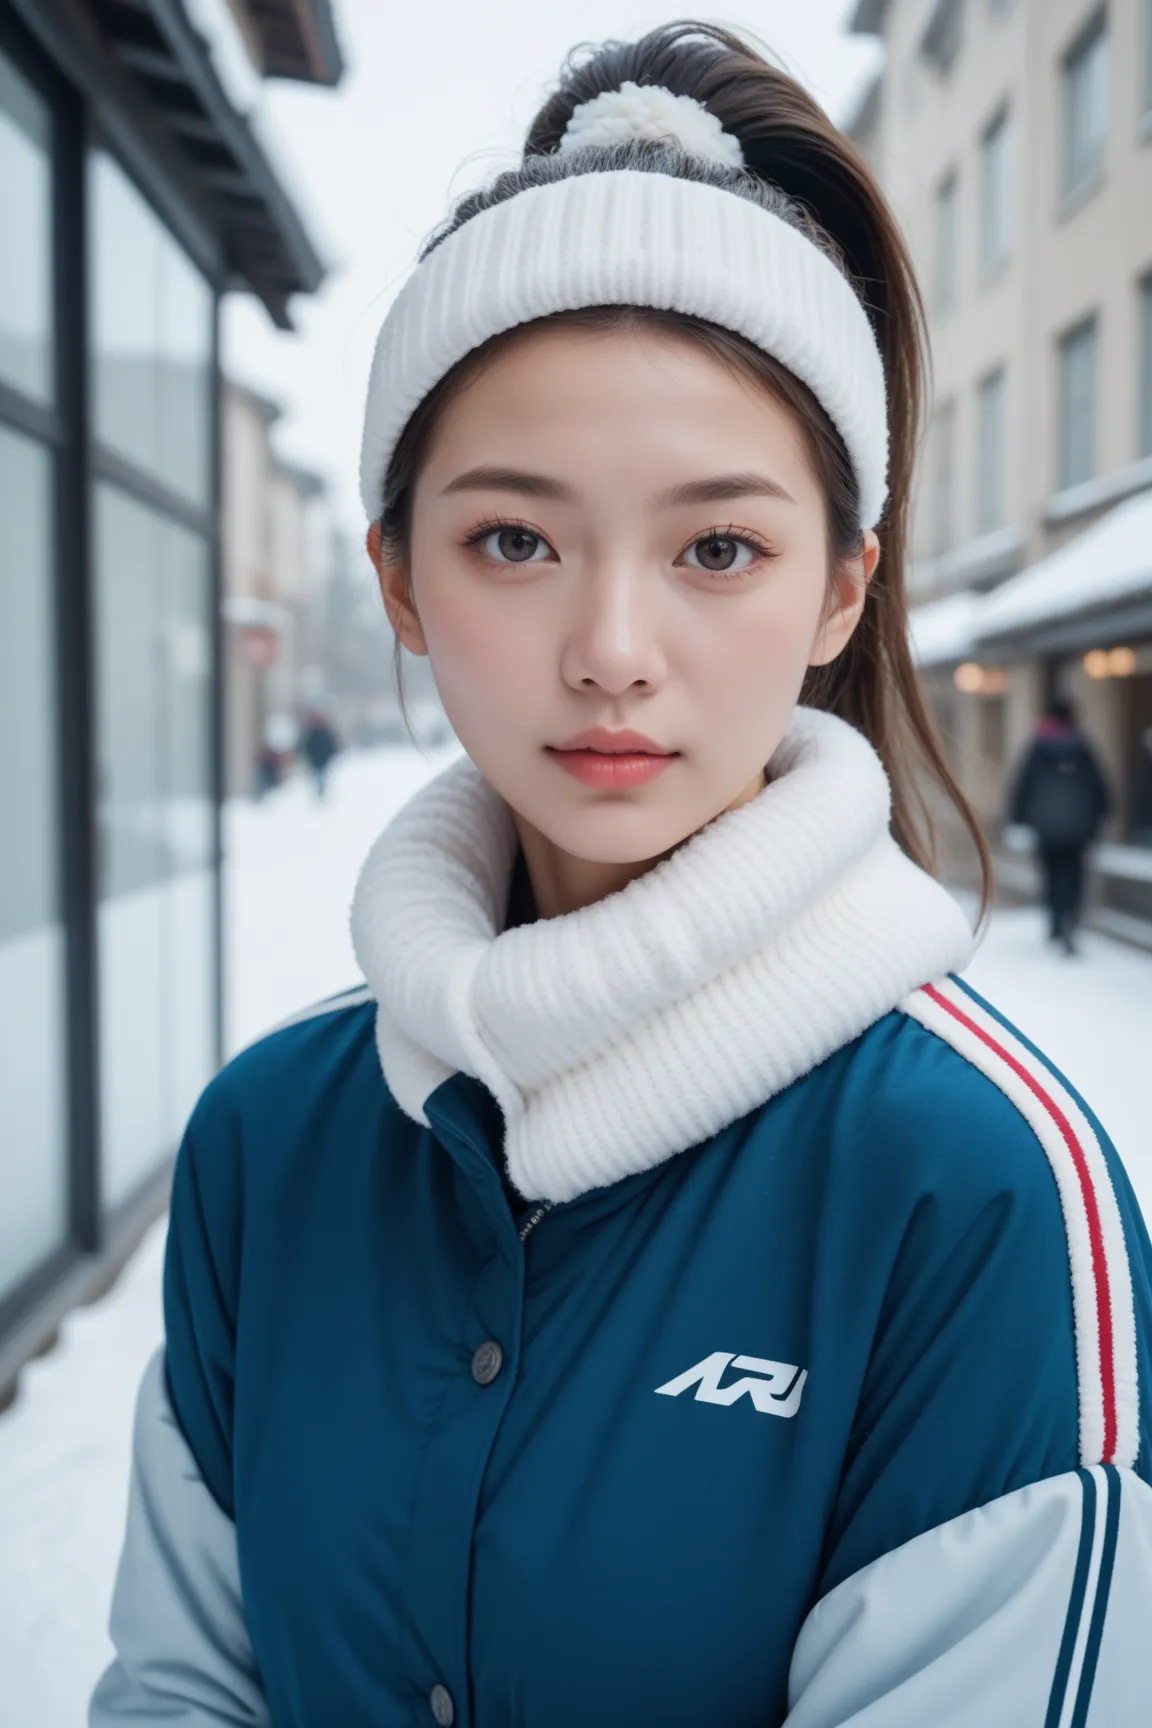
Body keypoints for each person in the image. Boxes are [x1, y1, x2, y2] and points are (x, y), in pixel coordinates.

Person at [91, 26, 1152, 1727]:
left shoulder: (977, 1191)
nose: (608, 652)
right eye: (513, 538)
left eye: (715, 546)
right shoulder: (272, 1137)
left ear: (835, 589)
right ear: (400, 578)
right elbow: (182, 1683)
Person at [1008, 694, 1111, 954]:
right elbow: (1100, 788)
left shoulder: (1038, 747)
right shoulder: (1083, 747)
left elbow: (1022, 786)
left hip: (1045, 827)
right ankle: (1070, 920)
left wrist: (1017, 819)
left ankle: (1055, 922)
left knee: (1051, 875)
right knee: (1074, 875)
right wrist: (1098, 820)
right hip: (1078, 829)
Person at [299, 707, 341, 799]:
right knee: (319, 776)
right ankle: (320, 790)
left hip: (323, 759)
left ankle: (321, 790)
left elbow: (331, 745)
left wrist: (331, 753)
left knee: (321, 776)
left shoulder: (325, 733)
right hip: (316, 760)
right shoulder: (313, 734)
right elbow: (308, 746)